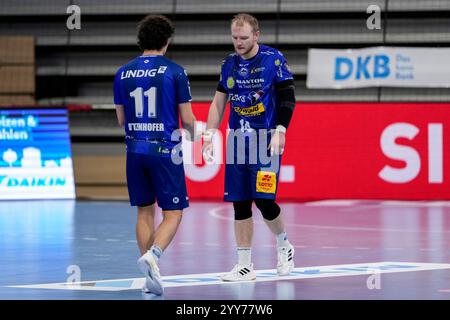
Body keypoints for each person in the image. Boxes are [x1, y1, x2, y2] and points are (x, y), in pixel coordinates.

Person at [203, 13, 296, 281]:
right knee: (240, 204)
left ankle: (284, 245)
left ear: (257, 35)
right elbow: (219, 102)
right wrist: (210, 133)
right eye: (234, 37)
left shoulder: (272, 59)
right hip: (237, 141)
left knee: (265, 201)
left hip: (265, 140)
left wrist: (281, 130)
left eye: (244, 38)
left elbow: (288, 97)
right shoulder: (229, 64)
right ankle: (244, 265)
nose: (238, 43)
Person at [114, 15, 196, 295]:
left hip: (135, 149)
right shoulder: (175, 71)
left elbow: (121, 120)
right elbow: (186, 119)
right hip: (164, 150)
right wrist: (198, 137)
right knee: (173, 213)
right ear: (167, 40)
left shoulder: (122, 72)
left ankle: (150, 277)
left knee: (144, 211)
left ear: (141, 40)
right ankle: (154, 255)